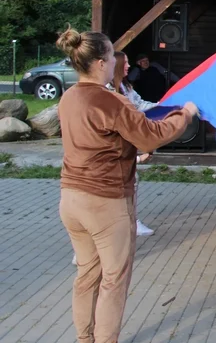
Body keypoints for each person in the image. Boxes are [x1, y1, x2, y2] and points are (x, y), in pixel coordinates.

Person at [56, 26, 198, 343]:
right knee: (113, 280)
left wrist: (130, 153)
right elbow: (153, 135)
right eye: (112, 57)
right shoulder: (112, 101)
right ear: (100, 63)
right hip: (105, 203)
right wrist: (185, 114)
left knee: (86, 275)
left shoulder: (68, 97)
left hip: (70, 200)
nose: (118, 64)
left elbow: (96, 142)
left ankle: (84, 338)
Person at [113, 51, 156, 235]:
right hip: (116, 149)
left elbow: (140, 105)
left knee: (133, 182)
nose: (129, 66)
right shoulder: (108, 91)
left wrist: (166, 104)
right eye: (126, 62)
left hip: (128, 147)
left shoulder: (127, 87)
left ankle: (132, 220)